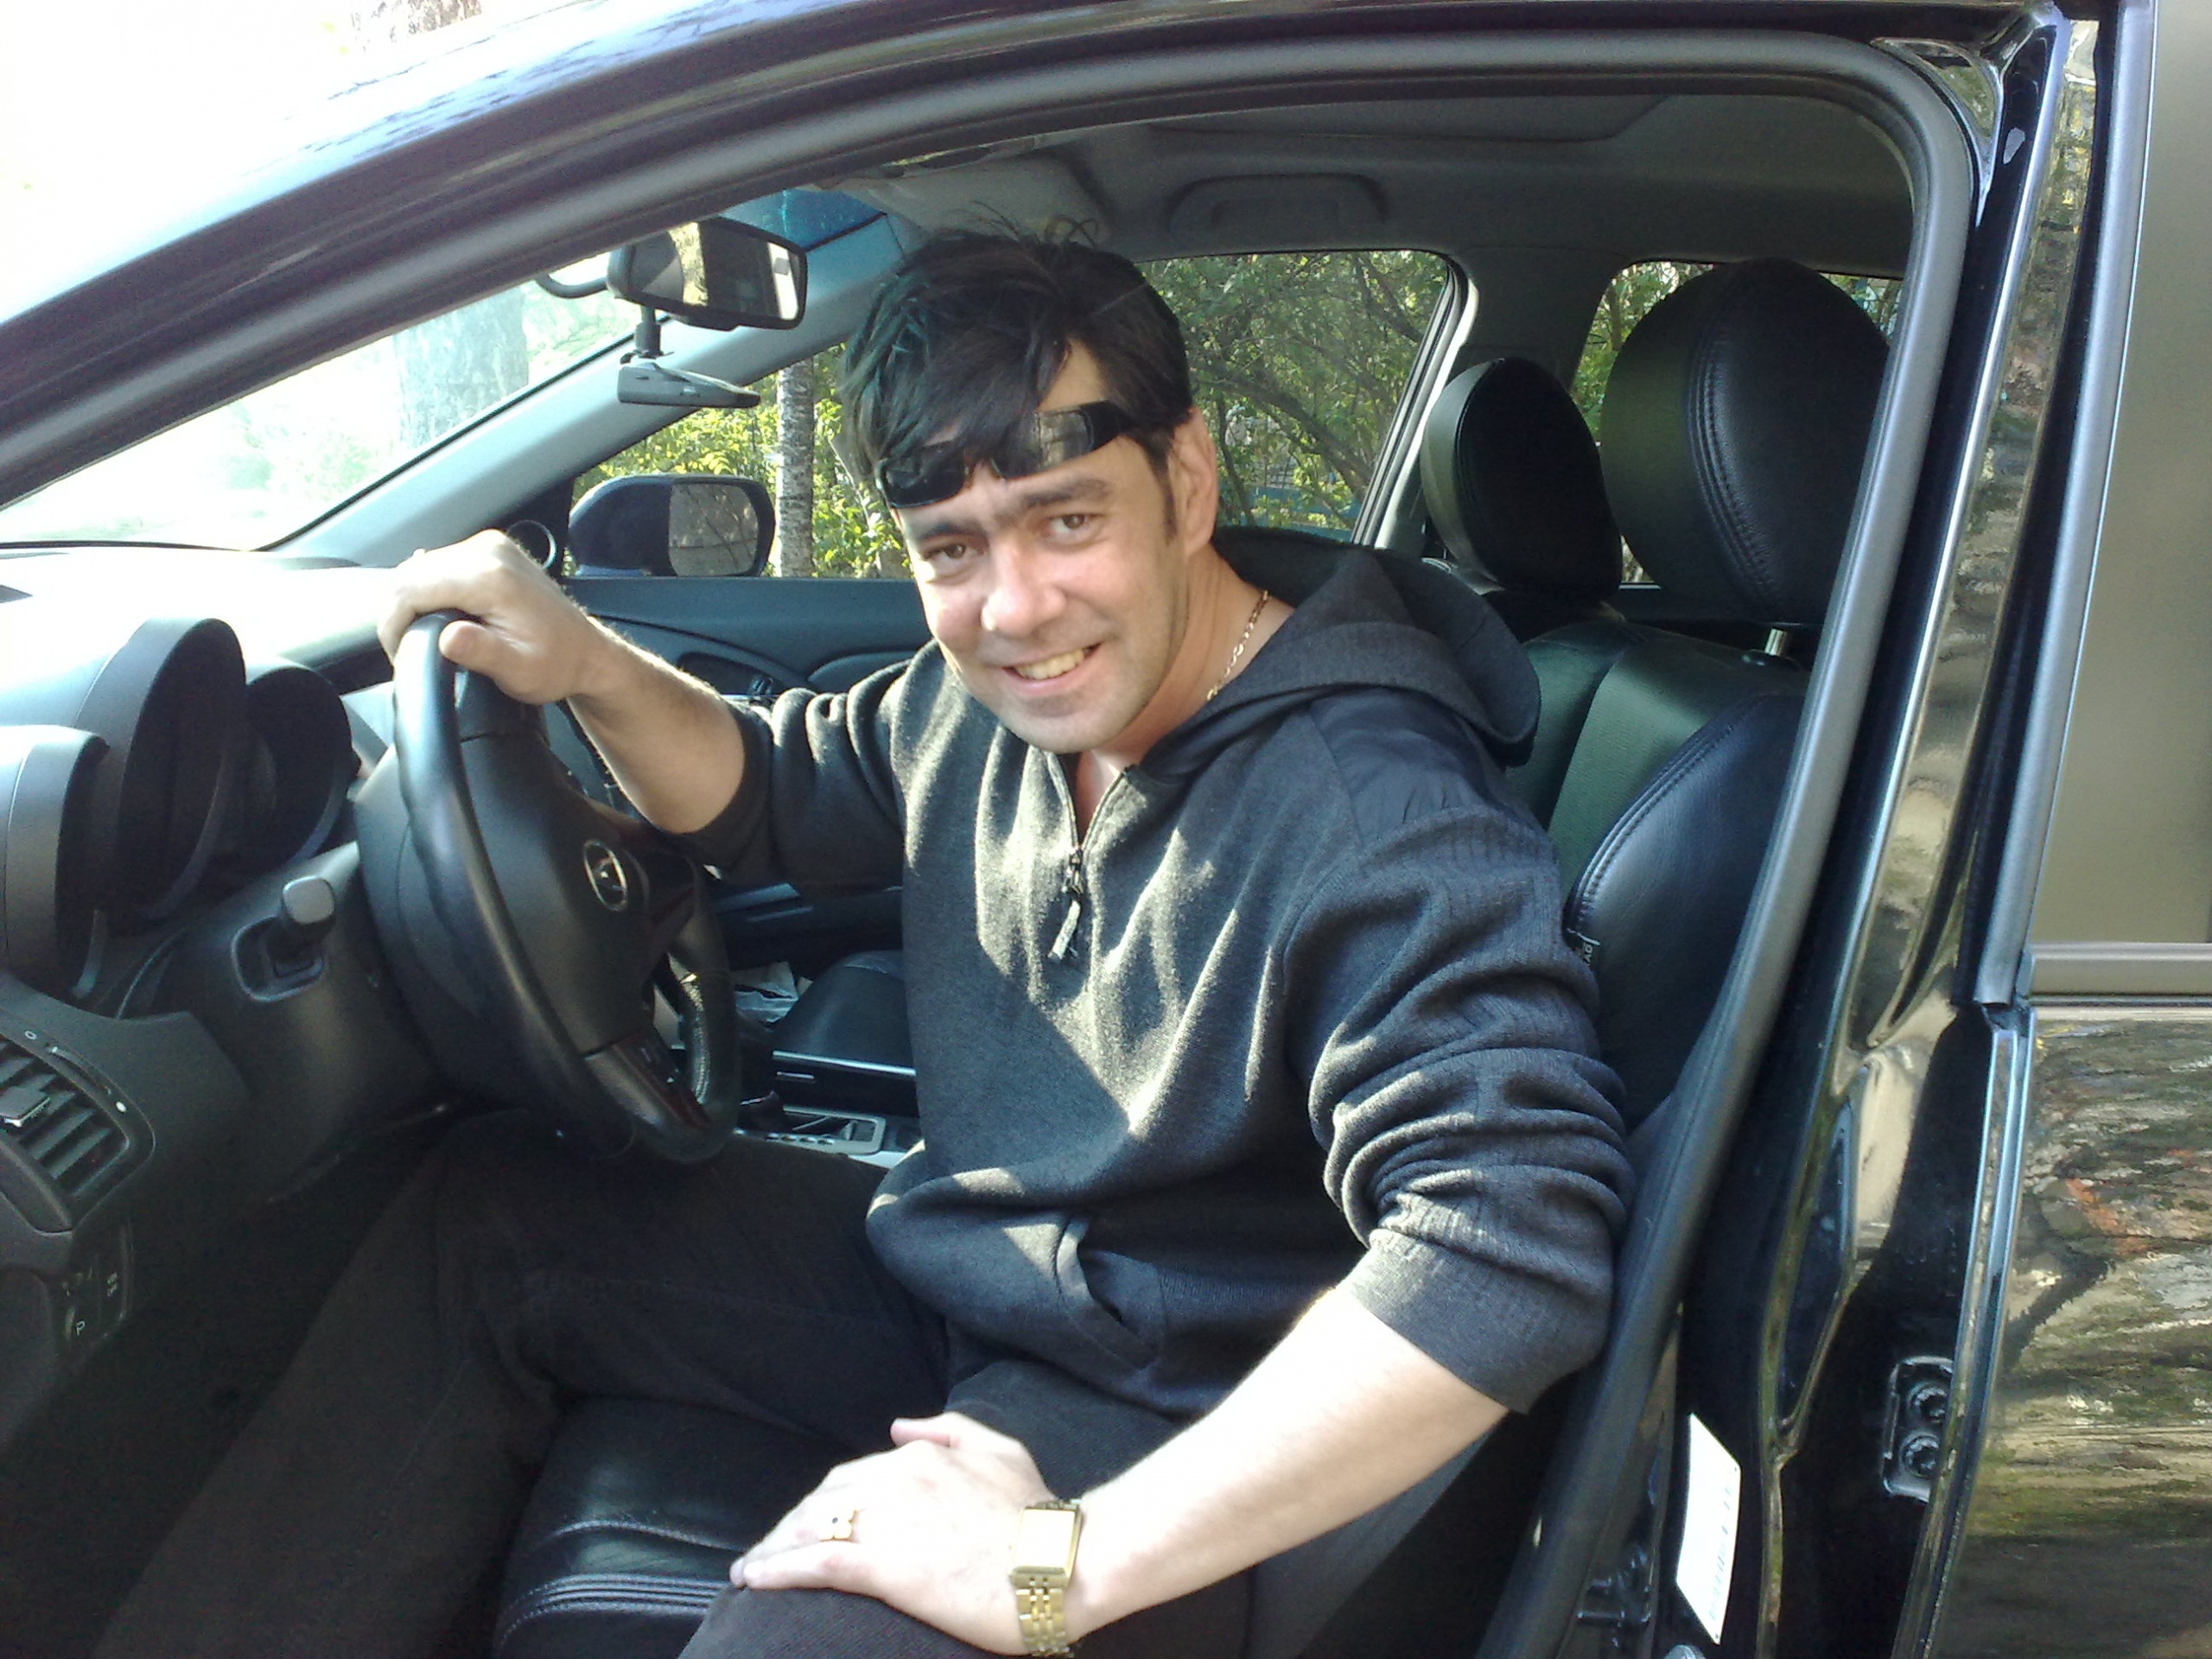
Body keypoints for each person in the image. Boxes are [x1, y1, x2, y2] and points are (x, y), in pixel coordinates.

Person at [96, 231, 1630, 1659]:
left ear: (1186, 478)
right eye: (949, 548)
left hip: (1178, 1416)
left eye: (1067, 520)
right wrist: (581, 662)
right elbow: (779, 793)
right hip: (982, 1290)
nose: (1016, 608)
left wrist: (1057, 1567)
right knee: (496, 1211)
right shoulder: (991, 701)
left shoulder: (1371, 807)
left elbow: (1508, 1246)